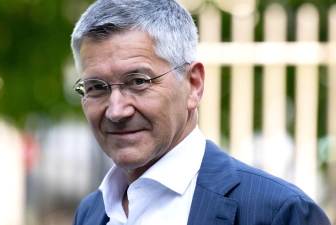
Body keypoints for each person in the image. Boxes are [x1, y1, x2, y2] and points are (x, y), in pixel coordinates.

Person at [70, 0, 331, 224]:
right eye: (96, 87)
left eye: (138, 81)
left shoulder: (279, 212)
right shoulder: (91, 212)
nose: (116, 111)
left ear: (194, 84)